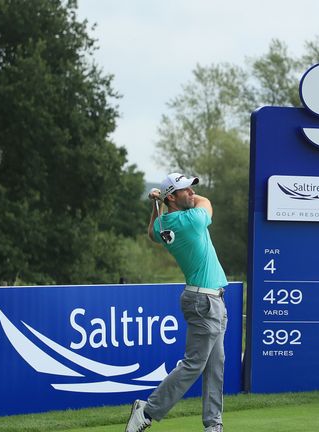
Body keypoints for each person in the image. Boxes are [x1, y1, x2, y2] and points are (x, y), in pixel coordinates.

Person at [125, 173, 229, 432]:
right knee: (194, 364)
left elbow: (152, 233)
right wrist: (163, 201)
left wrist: (156, 204)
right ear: (172, 196)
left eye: (192, 190)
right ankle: (147, 411)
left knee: (215, 365)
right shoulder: (190, 220)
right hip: (203, 300)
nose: (192, 194)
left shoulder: (165, 224)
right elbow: (207, 203)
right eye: (186, 190)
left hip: (210, 298)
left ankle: (213, 425)